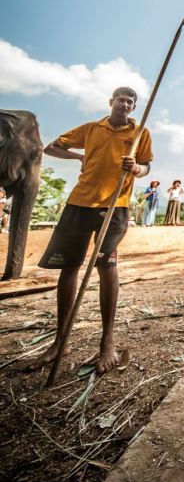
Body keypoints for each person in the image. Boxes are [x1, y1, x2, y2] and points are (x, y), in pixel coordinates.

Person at [28, 87, 152, 374]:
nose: (126, 104)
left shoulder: (140, 133)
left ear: (133, 108)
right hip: (80, 203)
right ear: (111, 102)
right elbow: (51, 147)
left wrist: (136, 170)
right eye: (121, 99)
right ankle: (61, 340)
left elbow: (147, 166)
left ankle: (107, 342)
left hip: (115, 206)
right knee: (69, 268)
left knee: (107, 266)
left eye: (131, 101)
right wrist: (78, 157)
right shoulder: (91, 129)